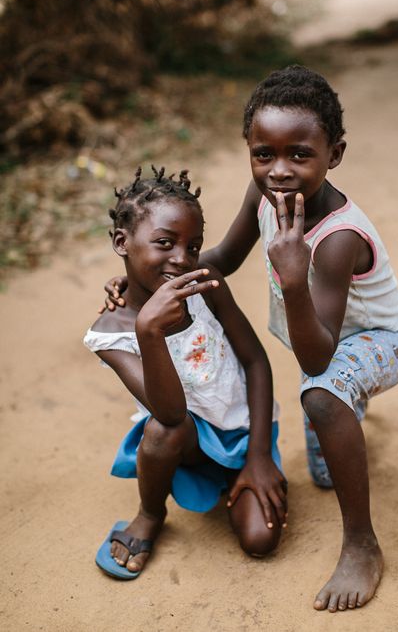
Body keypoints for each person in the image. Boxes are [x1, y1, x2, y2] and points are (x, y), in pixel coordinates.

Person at [102, 66, 398, 610]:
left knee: (323, 393)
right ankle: (350, 412)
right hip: (322, 336)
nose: (279, 171)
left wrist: (294, 279)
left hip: (383, 339)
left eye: (300, 154)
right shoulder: (263, 193)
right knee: (324, 474)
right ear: (249, 151)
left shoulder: (339, 238)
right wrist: (143, 282)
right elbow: (222, 259)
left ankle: (362, 544)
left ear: (334, 153)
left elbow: (318, 356)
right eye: (263, 154)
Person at [85, 166, 287, 580]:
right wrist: (149, 330)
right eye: (164, 242)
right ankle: (150, 514)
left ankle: (244, 472)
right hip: (186, 441)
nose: (181, 259)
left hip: (246, 433)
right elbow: (172, 414)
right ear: (122, 242)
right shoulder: (110, 334)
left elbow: (255, 362)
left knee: (260, 540)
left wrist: (259, 455)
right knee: (161, 430)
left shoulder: (204, 284)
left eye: (193, 246)